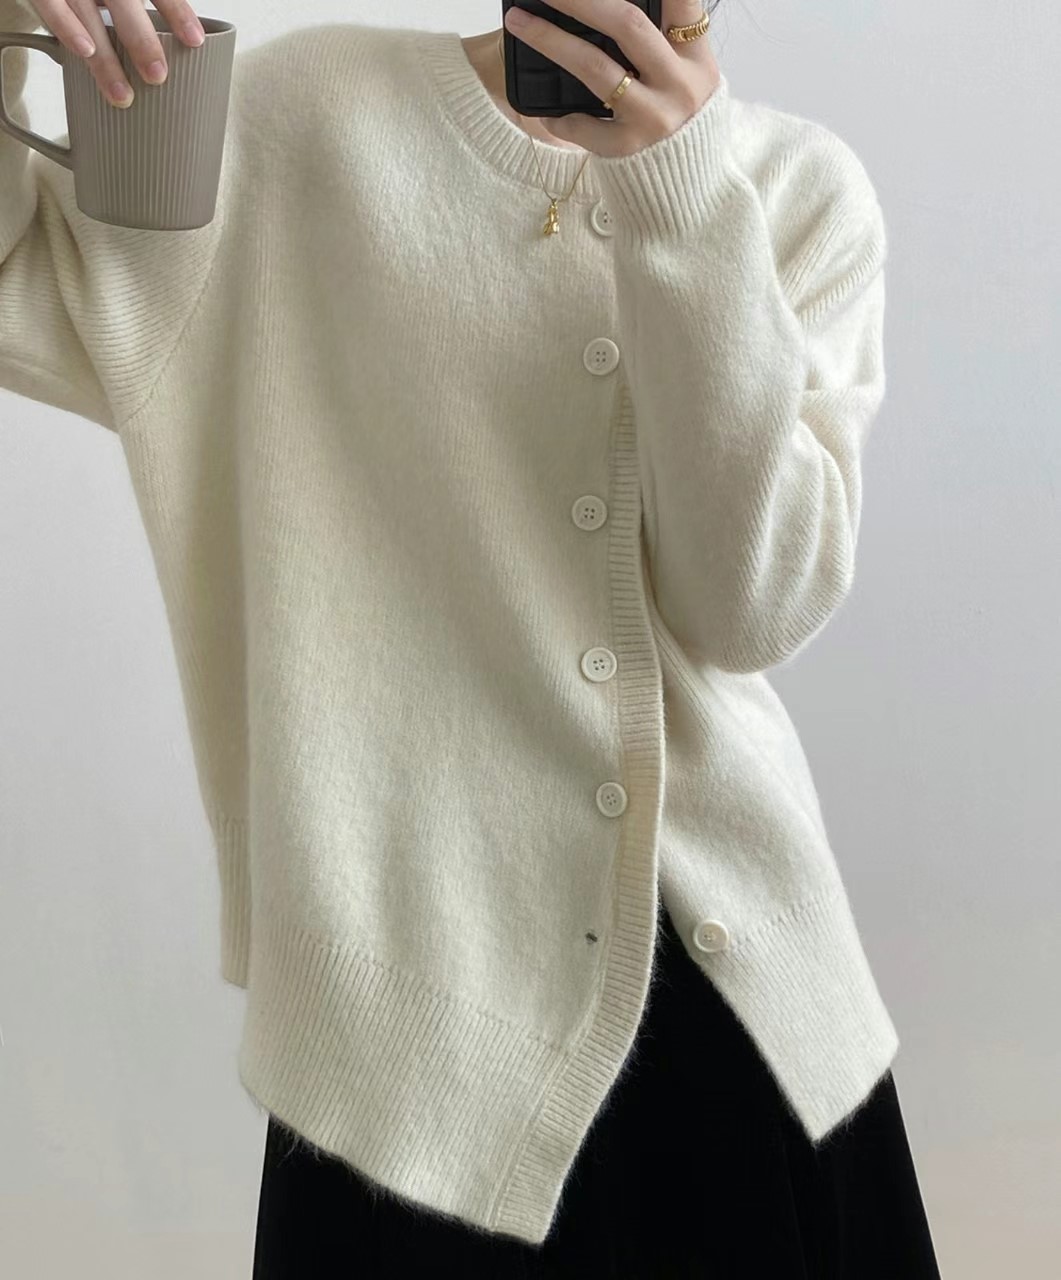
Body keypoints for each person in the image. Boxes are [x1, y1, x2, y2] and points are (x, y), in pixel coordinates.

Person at [1, 0, 941, 1274]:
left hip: (742, 1015)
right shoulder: (298, 123)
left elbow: (749, 605)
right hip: (397, 1055)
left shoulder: (793, 190)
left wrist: (677, 193)